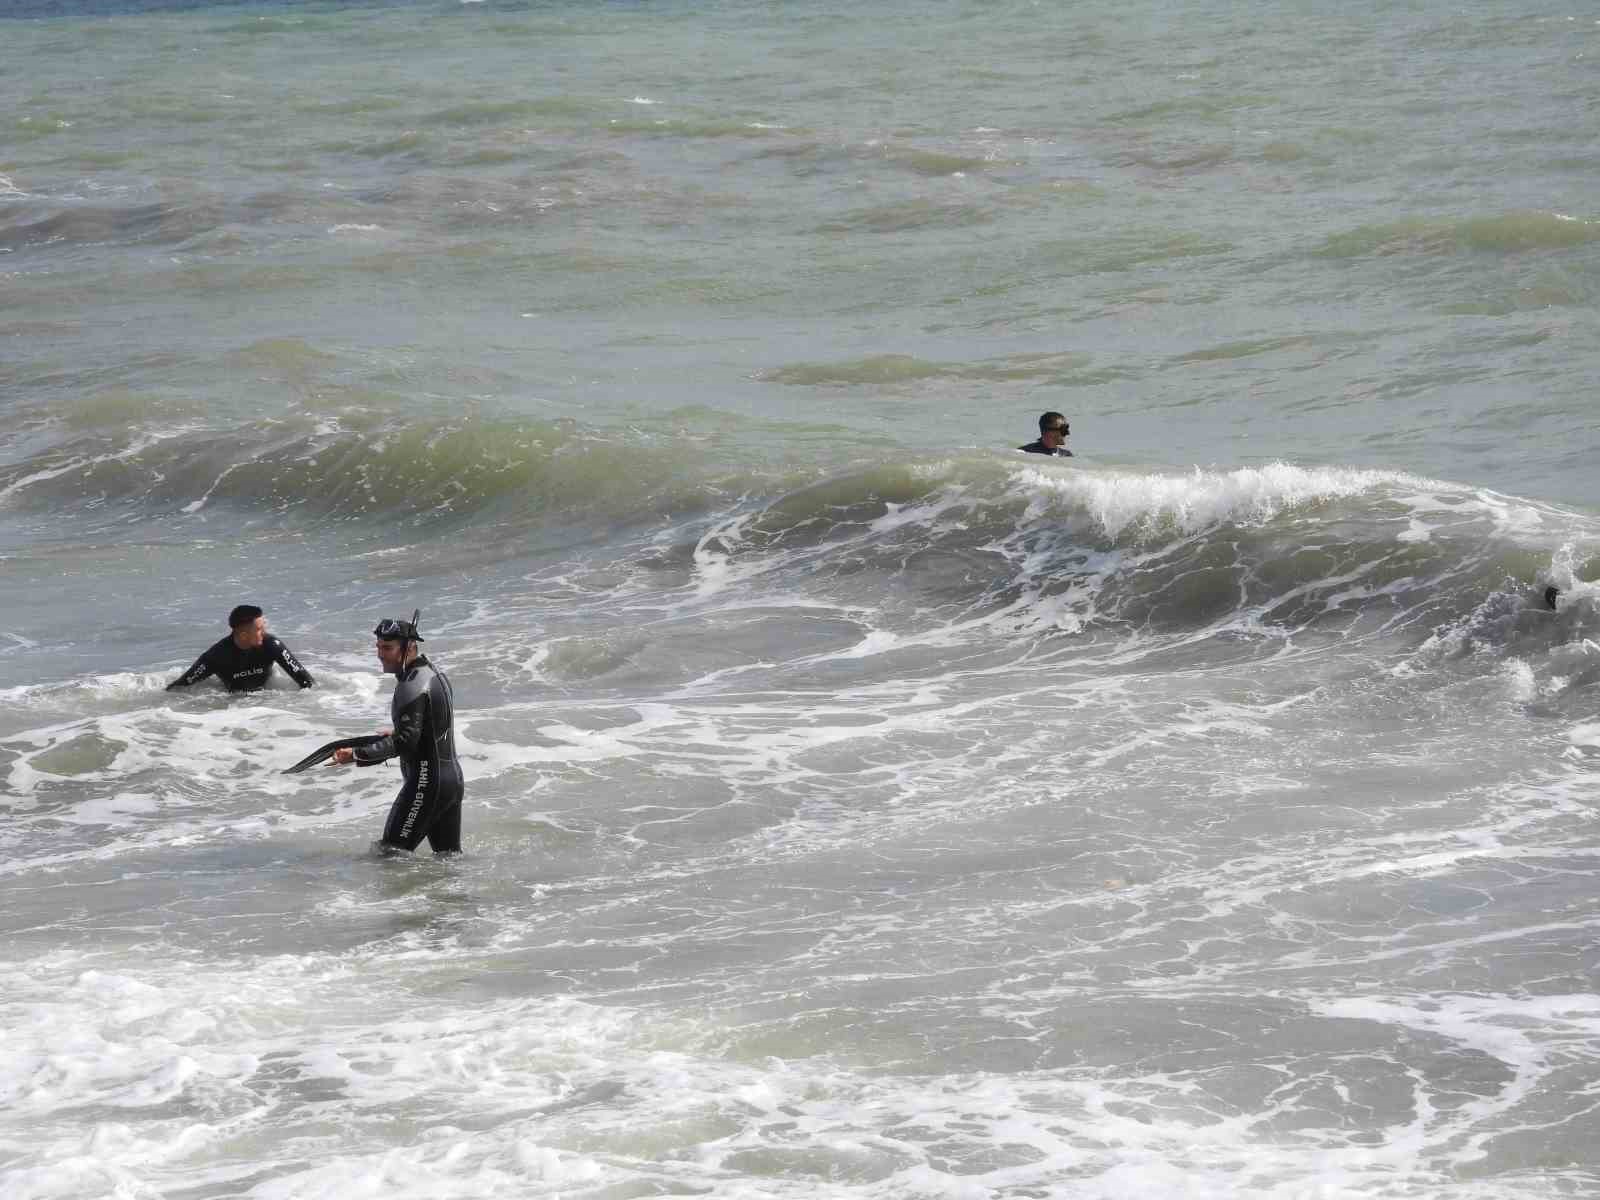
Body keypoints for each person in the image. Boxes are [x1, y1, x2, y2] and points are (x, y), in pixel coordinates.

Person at [329, 615, 464, 856]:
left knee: (389, 856)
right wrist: (396, 732)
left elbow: (406, 741)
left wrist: (358, 754)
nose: (380, 654)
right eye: (379, 647)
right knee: (448, 860)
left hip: (427, 785)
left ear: (409, 648)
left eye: (388, 648)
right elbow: (432, 726)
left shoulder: (410, 684)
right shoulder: (434, 675)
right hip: (451, 782)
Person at [166, 604, 315, 692]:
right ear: (243, 635)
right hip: (234, 710)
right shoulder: (216, 656)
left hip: (269, 707)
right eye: (259, 629)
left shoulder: (272, 645)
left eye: (264, 627)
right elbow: (179, 687)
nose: (264, 632)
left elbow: (307, 682)